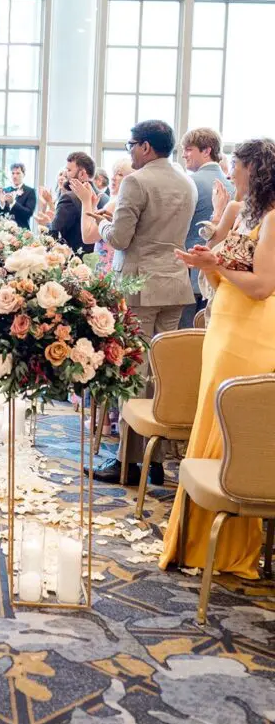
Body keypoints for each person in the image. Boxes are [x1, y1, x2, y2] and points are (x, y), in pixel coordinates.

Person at [160, 138, 275, 579]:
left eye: (237, 166)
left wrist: (217, 265)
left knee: (229, 425)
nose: (231, 172)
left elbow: (262, 285)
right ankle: (196, 539)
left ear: (255, 170)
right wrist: (207, 260)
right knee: (210, 420)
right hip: (226, 326)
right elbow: (234, 266)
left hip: (249, 332)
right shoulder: (248, 213)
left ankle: (227, 546)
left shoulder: (272, 218)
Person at [88, 120, 196, 485]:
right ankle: (156, 458)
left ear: (146, 147)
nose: (130, 151)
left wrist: (104, 224)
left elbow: (119, 239)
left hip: (140, 286)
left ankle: (129, 462)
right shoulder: (185, 181)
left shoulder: (136, 182)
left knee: (134, 372)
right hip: (175, 284)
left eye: (131, 145)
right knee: (162, 373)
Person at [179, 127, 233, 329]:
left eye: (188, 149)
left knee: (184, 337)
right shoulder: (233, 186)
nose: (183, 154)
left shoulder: (188, 182)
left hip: (188, 272)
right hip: (219, 274)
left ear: (206, 150)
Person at [71, 157, 133, 273]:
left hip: (106, 268)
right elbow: (97, 228)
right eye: (113, 173)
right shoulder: (117, 201)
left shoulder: (116, 203)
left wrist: (86, 201)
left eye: (120, 174)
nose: (113, 178)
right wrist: (92, 206)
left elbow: (88, 236)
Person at [47, 151, 99, 254]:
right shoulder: (104, 197)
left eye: (69, 170)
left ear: (82, 174)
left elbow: (54, 234)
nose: (65, 174)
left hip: (73, 259)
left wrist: (47, 223)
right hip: (95, 260)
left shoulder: (69, 198)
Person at [0, 162, 36, 230]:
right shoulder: (5, 190)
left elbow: (28, 213)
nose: (15, 176)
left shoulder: (30, 191)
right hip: (4, 230)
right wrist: (2, 203)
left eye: (18, 173)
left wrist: (13, 203)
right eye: (13, 173)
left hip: (22, 231)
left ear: (23, 174)